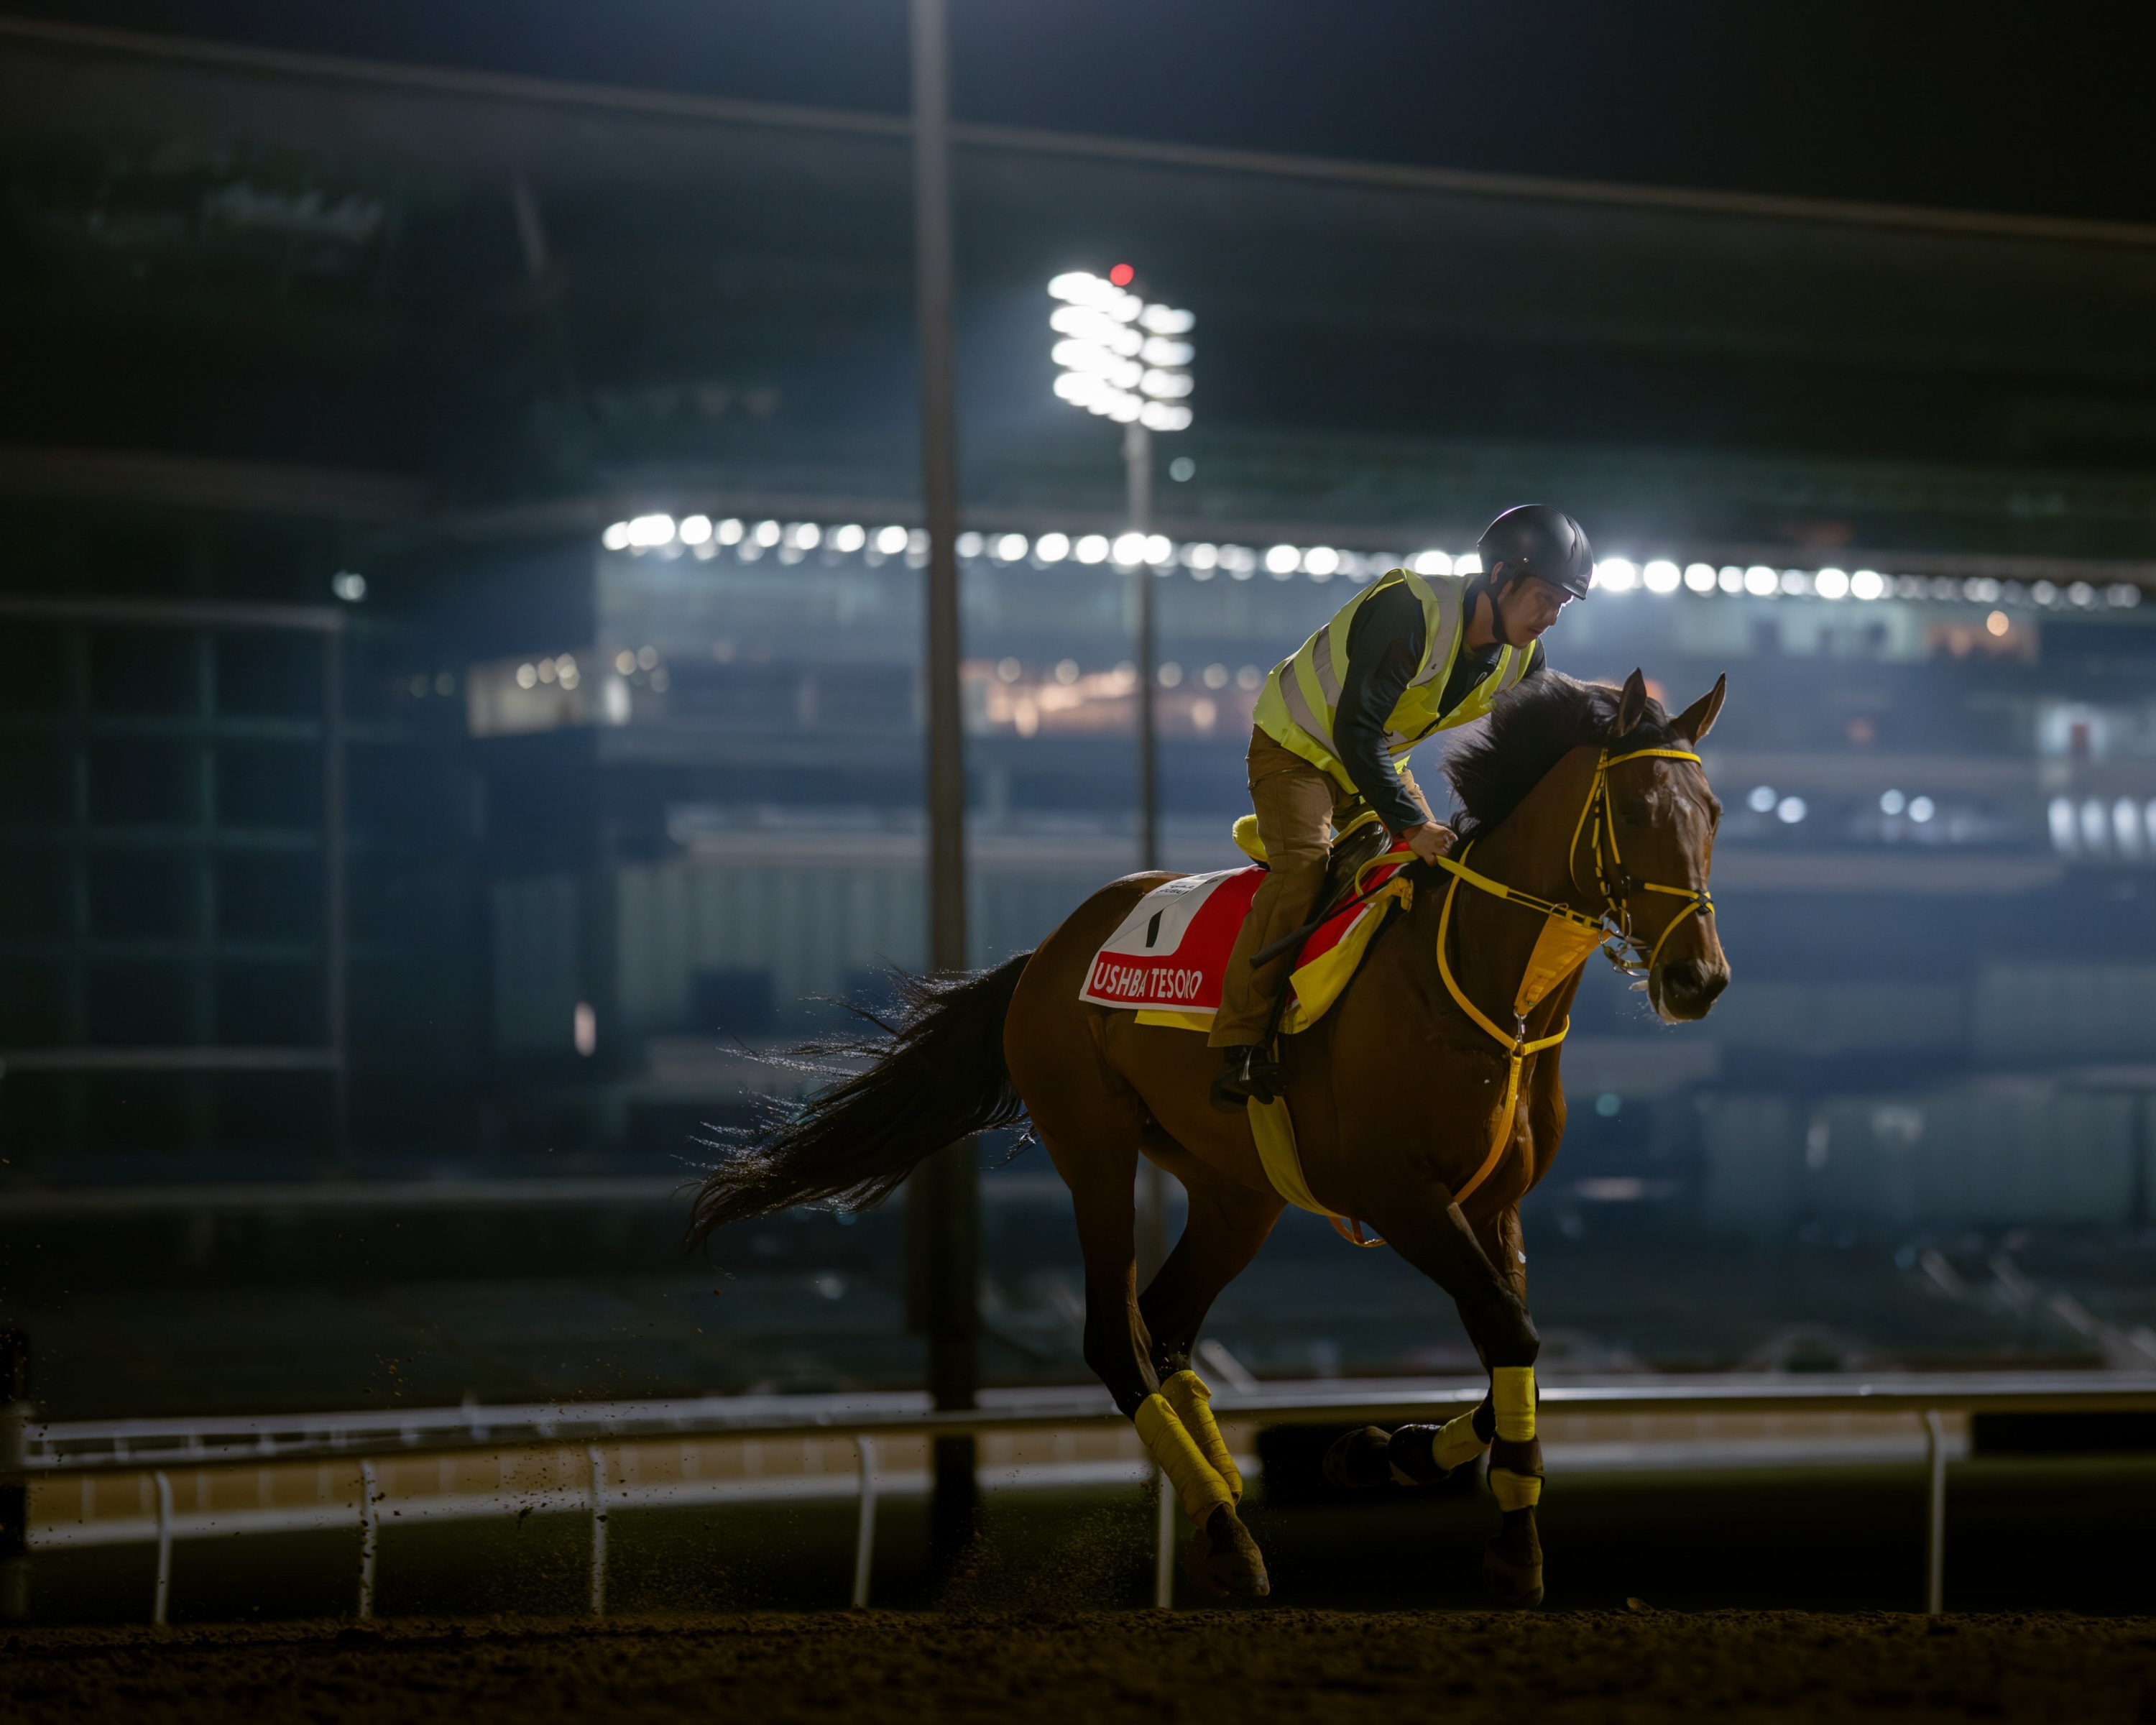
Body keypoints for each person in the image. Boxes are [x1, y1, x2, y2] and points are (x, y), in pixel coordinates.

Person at [1210, 504, 1595, 1105]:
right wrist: (1414, 823)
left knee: (1440, 873)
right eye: (1545, 598)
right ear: (1498, 577)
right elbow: (1355, 734)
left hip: (1375, 764)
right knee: (1306, 868)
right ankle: (1241, 1044)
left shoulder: (1524, 659)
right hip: (1299, 748)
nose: (1550, 618)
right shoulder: (1408, 613)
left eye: (1562, 606)